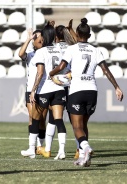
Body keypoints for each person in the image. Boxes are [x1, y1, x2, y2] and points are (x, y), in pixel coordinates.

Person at [49, 18, 123, 167]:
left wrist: (52, 72)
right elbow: (105, 70)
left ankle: (86, 148)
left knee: (76, 127)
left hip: (77, 90)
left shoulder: (72, 49)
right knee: (84, 125)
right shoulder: (96, 50)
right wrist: (116, 87)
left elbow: (62, 65)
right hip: (92, 91)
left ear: (77, 34)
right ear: (89, 35)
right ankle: (84, 157)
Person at [29, 22, 67, 161]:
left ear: (44, 38)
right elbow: (66, 69)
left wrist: (33, 90)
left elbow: (40, 73)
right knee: (58, 120)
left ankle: (32, 149)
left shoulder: (41, 51)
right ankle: (62, 151)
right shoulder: (60, 50)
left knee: (35, 118)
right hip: (59, 89)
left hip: (45, 89)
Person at [40, 21, 77, 160]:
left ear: (55, 36)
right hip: (70, 84)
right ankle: (79, 147)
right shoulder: (71, 47)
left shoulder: (53, 47)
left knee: (53, 118)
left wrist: (46, 26)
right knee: (75, 120)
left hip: (56, 84)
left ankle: (48, 149)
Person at [19, 28, 47, 158]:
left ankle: (41, 146)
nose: (39, 40)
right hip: (30, 89)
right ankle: (33, 146)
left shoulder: (47, 53)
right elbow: (20, 54)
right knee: (32, 117)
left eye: (40, 38)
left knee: (41, 119)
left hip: (44, 89)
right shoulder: (30, 54)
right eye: (36, 38)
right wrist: (28, 39)